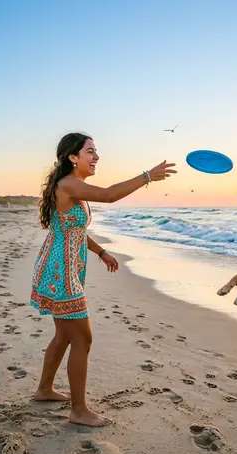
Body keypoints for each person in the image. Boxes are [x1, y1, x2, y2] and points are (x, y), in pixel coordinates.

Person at [30, 132, 176, 426]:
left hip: (61, 268)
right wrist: (147, 176)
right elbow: (109, 195)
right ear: (73, 157)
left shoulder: (73, 185)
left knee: (64, 335)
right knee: (82, 338)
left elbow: (75, 229)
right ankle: (79, 410)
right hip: (61, 273)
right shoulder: (69, 184)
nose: (96, 157)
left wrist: (101, 252)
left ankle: (44, 390)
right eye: (90, 151)